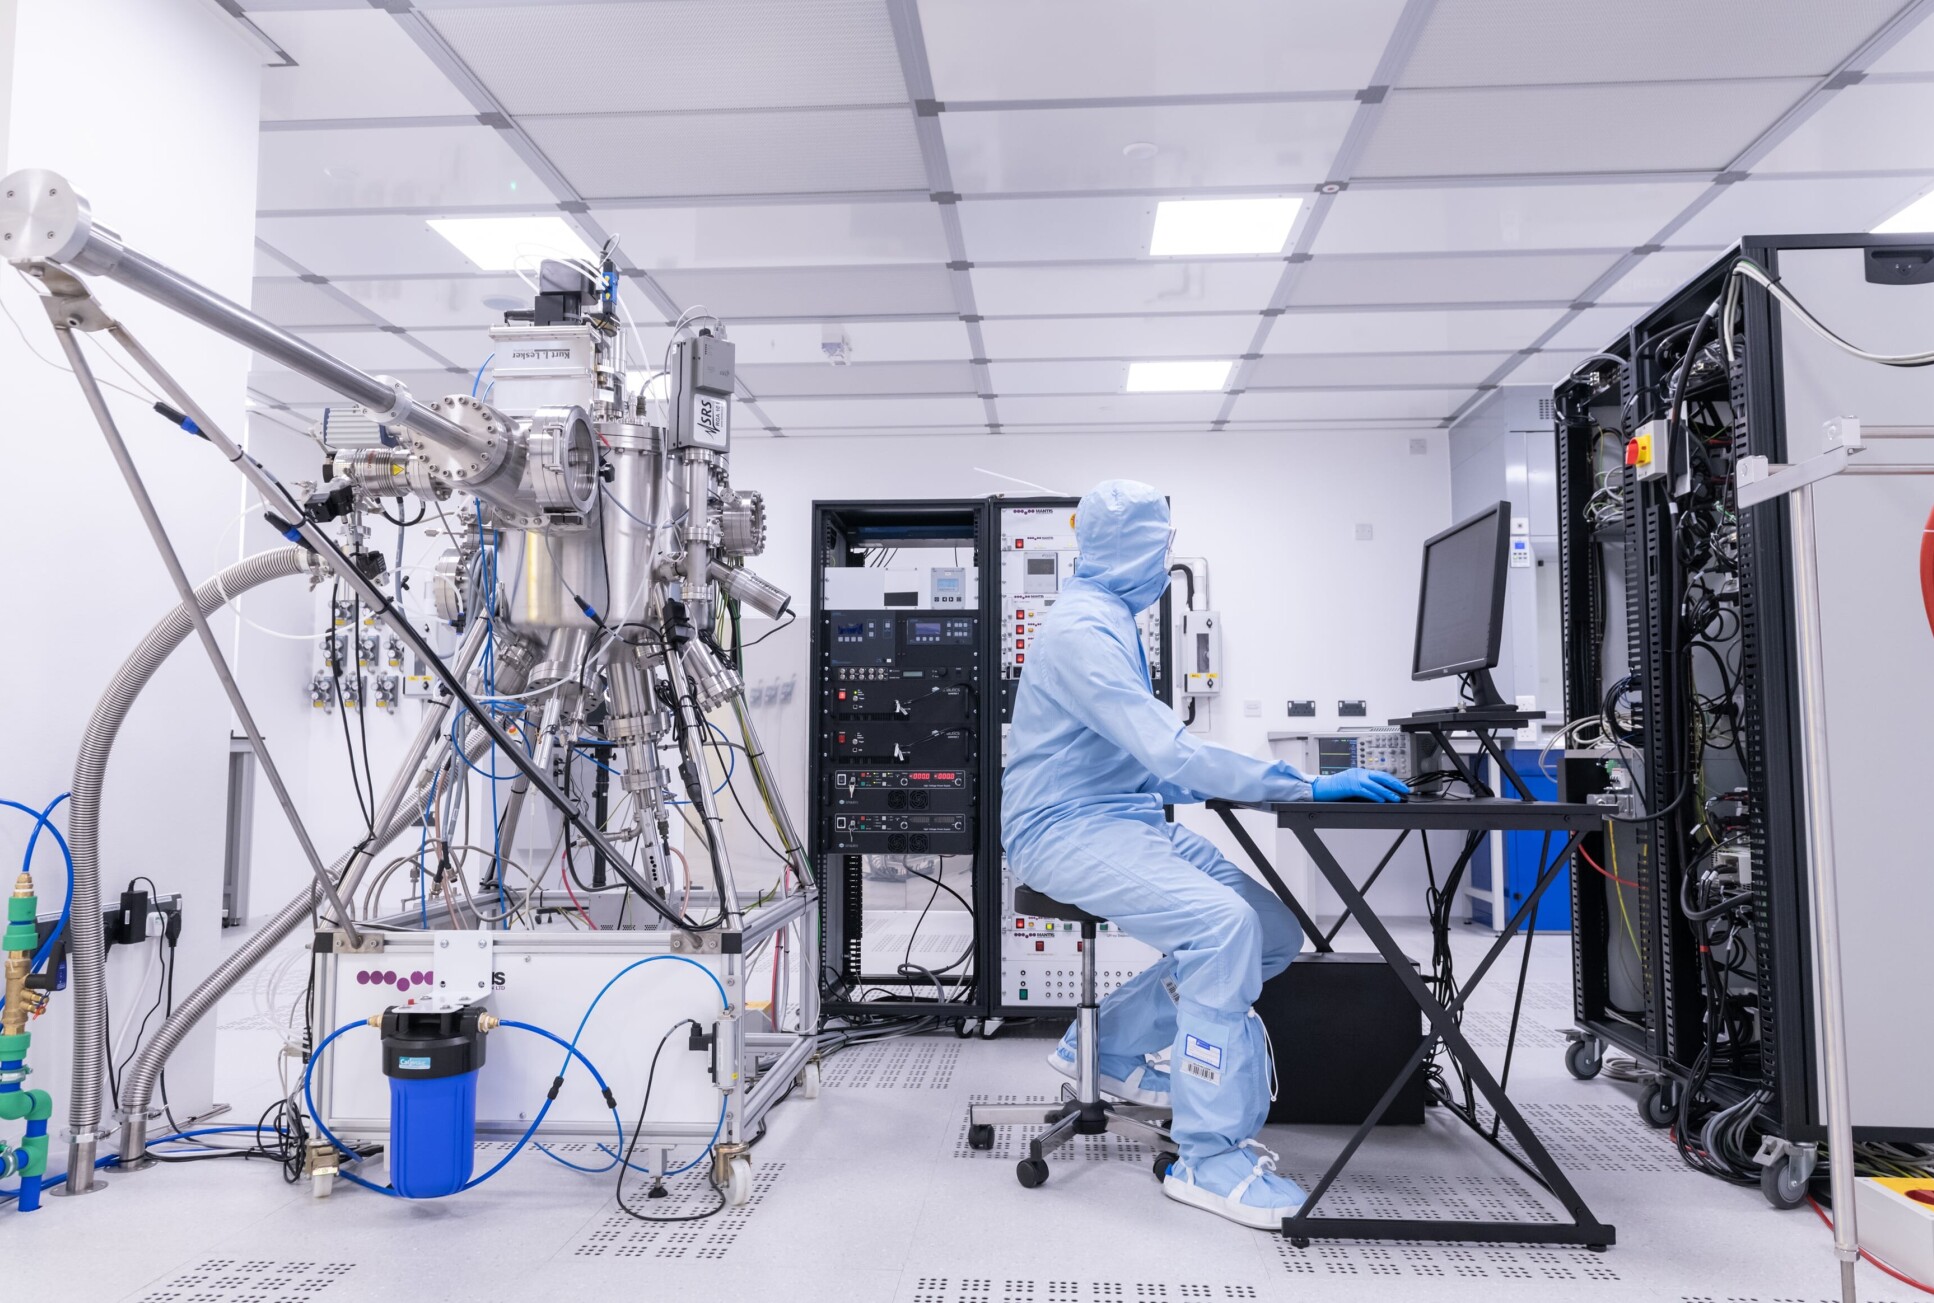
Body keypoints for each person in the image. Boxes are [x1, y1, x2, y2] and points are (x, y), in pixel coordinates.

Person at [1001, 479, 1409, 1229]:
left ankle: (1108, 1046)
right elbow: (1170, 749)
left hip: (1123, 818)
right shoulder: (1083, 631)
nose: (1166, 561)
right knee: (1222, 928)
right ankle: (1208, 1156)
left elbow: (1142, 760)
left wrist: (1258, 785)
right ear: (1131, 548)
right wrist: (1298, 785)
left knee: (1273, 930)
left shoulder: (1113, 618)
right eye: (1160, 546)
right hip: (1062, 828)